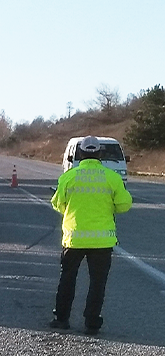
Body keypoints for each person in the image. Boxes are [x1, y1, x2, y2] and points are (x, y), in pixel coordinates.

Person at [49, 135, 132, 335]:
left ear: (80, 153)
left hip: (74, 239)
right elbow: (124, 205)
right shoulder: (112, 178)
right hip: (102, 241)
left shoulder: (68, 177)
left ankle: (61, 318)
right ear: (100, 154)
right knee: (97, 282)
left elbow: (57, 203)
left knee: (67, 279)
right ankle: (92, 322)